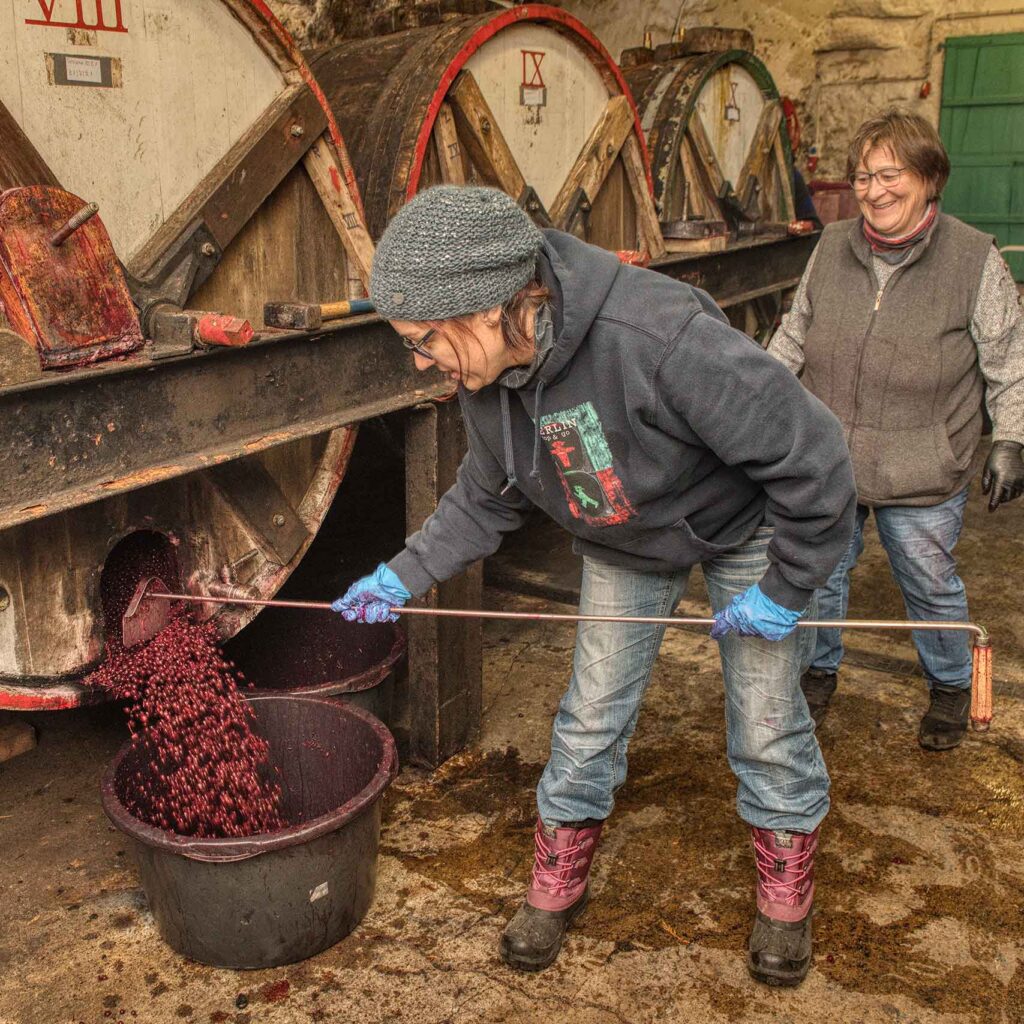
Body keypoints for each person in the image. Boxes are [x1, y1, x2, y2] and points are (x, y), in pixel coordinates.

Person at [333, 185, 855, 986]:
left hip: (741, 525)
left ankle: (785, 889)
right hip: (622, 536)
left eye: (421, 339)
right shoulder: (488, 378)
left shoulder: (658, 335)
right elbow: (486, 494)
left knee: (766, 714)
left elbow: (813, 456)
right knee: (589, 712)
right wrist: (401, 575)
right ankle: (558, 875)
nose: (418, 361)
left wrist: (787, 590)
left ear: (488, 307)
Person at [767, 109, 1024, 750]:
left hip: (925, 463)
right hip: (829, 457)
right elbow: (792, 335)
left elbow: (1009, 361)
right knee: (820, 574)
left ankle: (950, 686)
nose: (874, 191)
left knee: (929, 582)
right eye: (862, 177)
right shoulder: (831, 247)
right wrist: (755, 411)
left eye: (891, 175)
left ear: (928, 178)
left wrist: (1013, 438)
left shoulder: (972, 258)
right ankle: (816, 671)